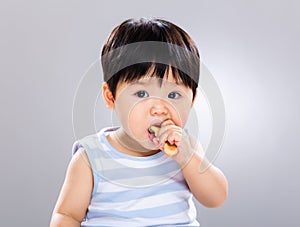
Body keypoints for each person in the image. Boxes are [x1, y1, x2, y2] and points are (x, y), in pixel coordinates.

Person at [50, 17, 228, 227]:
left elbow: (216, 198)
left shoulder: (185, 148)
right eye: (142, 93)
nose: (159, 108)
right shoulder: (91, 157)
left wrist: (188, 159)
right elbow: (67, 215)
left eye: (173, 95)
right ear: (111, 97)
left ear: (192, 100)